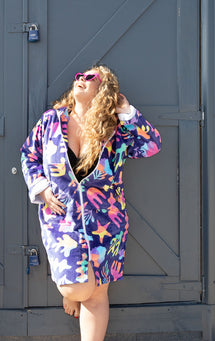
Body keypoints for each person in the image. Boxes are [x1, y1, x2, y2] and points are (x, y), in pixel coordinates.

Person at [20, 65, 161, 341]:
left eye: (90, 77)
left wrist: (127, 111)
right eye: (79, 76)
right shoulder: (51, 121)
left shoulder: (115, 129)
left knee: (97, 296)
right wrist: (42, 187)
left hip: (107, 224)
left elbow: (151, 145)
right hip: (63, 222)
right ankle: (76, 294)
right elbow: (29, 155)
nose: (80, 79)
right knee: (77, 290)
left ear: (104, 89)